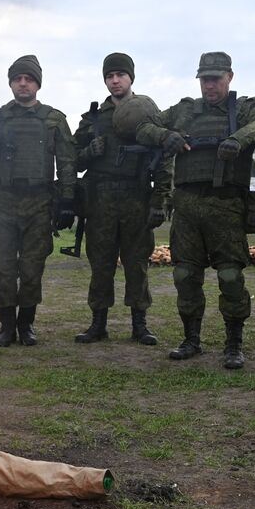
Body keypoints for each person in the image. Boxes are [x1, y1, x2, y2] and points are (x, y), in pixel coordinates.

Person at [134, 51, 255, 368]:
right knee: (185, 273)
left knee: (229, 274)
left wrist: (238, 140)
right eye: (205, 80)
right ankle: (191, 340)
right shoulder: (185, 111)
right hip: (186, 205)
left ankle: (234, 344)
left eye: (216, 79)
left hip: (225, 205)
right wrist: (166, 136)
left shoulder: (244, 108)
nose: (209, 86)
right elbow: (143, 127)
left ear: (229, 77)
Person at [0, 55, 76, 346]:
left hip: (39, 202)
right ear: (11, 83)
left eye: (28, 79)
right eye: (18, 79)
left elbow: (67, 162)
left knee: (31, 268)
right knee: (2, 268)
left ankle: (26, 324)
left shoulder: (54, 119)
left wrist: (67, 201)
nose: (23, 83)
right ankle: (6, 326)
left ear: (37, 83)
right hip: (2, 201)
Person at [70, 53, 169, 345]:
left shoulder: (148, 116)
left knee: (136, 263)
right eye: (109, 76)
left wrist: (159, 202)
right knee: (100, 263)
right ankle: (98, 323)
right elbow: (72, 160)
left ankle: (140, 324)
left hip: (136, 197)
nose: (115, 80)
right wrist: (91, 152)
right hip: (100, 201)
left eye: (120, 75)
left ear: (131, 78)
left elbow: (164, 160)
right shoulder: (92, 120)